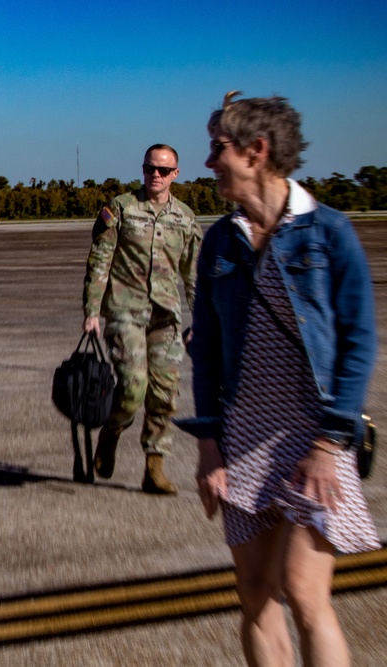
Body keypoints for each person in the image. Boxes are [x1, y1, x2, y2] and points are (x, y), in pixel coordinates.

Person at [181, 92, 379, 666]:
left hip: (315, 440)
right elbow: (209, 352)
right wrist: (209, 445)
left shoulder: (329, 234)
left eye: (219, 148)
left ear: (256, 151)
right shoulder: (220, 240)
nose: (209, 161)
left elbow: (358, 344)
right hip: (243, 441)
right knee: (255, 597)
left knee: (304, 591)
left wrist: (329, 442)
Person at [83, 143, 202, 494]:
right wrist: (91, 311)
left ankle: (154, 466)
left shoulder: (185, 218)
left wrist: (204, 323)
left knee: (165, 394)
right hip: (125, 311)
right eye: (150, 168)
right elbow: (99, 261)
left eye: (164, 170)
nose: (156, 175)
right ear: (143, 169)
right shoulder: (120, 208)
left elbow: (194, 275)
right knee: (133, 387)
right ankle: (112, 430)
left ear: (175, 174)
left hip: (166, 316)